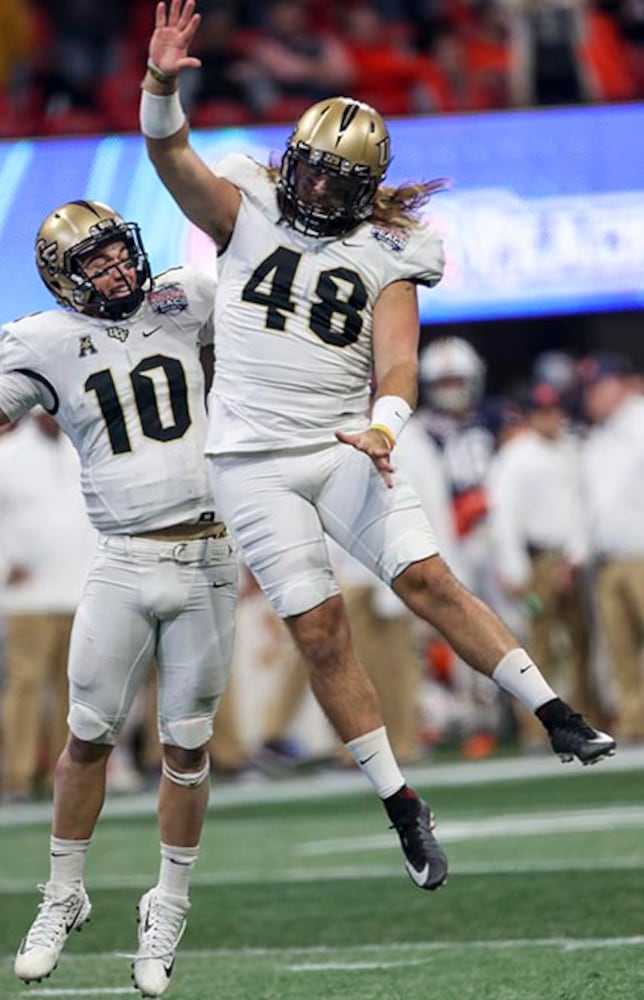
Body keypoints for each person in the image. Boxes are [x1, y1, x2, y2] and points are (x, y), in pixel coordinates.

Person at [139, 0, 615, 898]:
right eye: (310, 172)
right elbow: (170, 153)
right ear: (294, 161)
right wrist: (160, 84)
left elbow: (398, 363)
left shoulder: (393, 248)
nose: (315, 191)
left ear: (364, 187)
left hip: (346, 441)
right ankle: (402, 807)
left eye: (334, 182)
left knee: (429, 579)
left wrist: (385, 428)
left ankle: (557, 714)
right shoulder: (244, 204)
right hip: (250, 461)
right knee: (320, 631)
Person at [0, 199, 237, 998]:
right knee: (88, 737)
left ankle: (168, 902)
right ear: (64, 281)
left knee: (188, 747)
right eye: (94, 262)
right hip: (125, 561)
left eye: (116, 251)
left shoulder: (185, 298)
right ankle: (63, 892)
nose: (116, 268)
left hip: (210, 554)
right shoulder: (42, 341)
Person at [0, 409, 96, 801]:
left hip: (79, 588)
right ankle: (18, 775)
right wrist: (5, 561)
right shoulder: (7, 455)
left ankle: (63, 772)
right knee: (26, 682)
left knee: (72, 687)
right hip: (30, 595)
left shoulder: (81, 451)